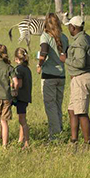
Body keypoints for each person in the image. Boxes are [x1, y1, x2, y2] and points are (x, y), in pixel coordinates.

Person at [64, 15, 90, 145]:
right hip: (82, 76)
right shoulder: (87, 38)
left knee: (81, 112)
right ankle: (74, 140)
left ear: (73, 27)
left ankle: (87, 143)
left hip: (81, 77)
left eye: (69, 27)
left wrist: (65, 59)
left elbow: (80, 62)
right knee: (72, 110)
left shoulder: (79, 42)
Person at [37, 12, 68, 140]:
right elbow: (66, 55)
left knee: (50, 106)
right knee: (58, 105)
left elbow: (43, 52)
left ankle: (55, 136)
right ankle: (59, 129)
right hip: (61, 75)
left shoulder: (45, 36)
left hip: (49, 75)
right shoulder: (64, 37)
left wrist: (39, 64)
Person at [13, 47, 32, 149]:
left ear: (16, 58)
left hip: (21, 97)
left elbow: (19, 85)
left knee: (22, 120)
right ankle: (20, 140)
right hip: (26, 96)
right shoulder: (27, 69)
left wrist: (12, 86)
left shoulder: (19, 69)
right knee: (22, 118)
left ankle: (26, 142)